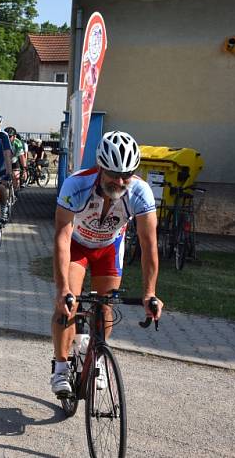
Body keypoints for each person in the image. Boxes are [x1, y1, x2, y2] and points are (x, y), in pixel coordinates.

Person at [49, 131, 163, 396]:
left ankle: (96, 357)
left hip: (109, 248)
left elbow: (148, 245)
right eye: (114, 173)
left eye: (128, 173)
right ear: (100, 167)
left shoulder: (139, 192)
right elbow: (62, 237)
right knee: (70, 304)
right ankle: (61, 368)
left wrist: (149, 293)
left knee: (106, 306)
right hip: (76, 247)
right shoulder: (76, 185)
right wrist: (62, 288)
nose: (121, 180)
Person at [4, 127, 27, 192]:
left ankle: (15, 190)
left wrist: (24, 169)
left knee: (16, 176)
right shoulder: (1, 141)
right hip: (4, 161)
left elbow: (22, 157)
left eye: (10, 136)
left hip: (14, 161)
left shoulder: (18, 143)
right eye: (6, 136)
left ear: (14, 136)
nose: (7, 138)